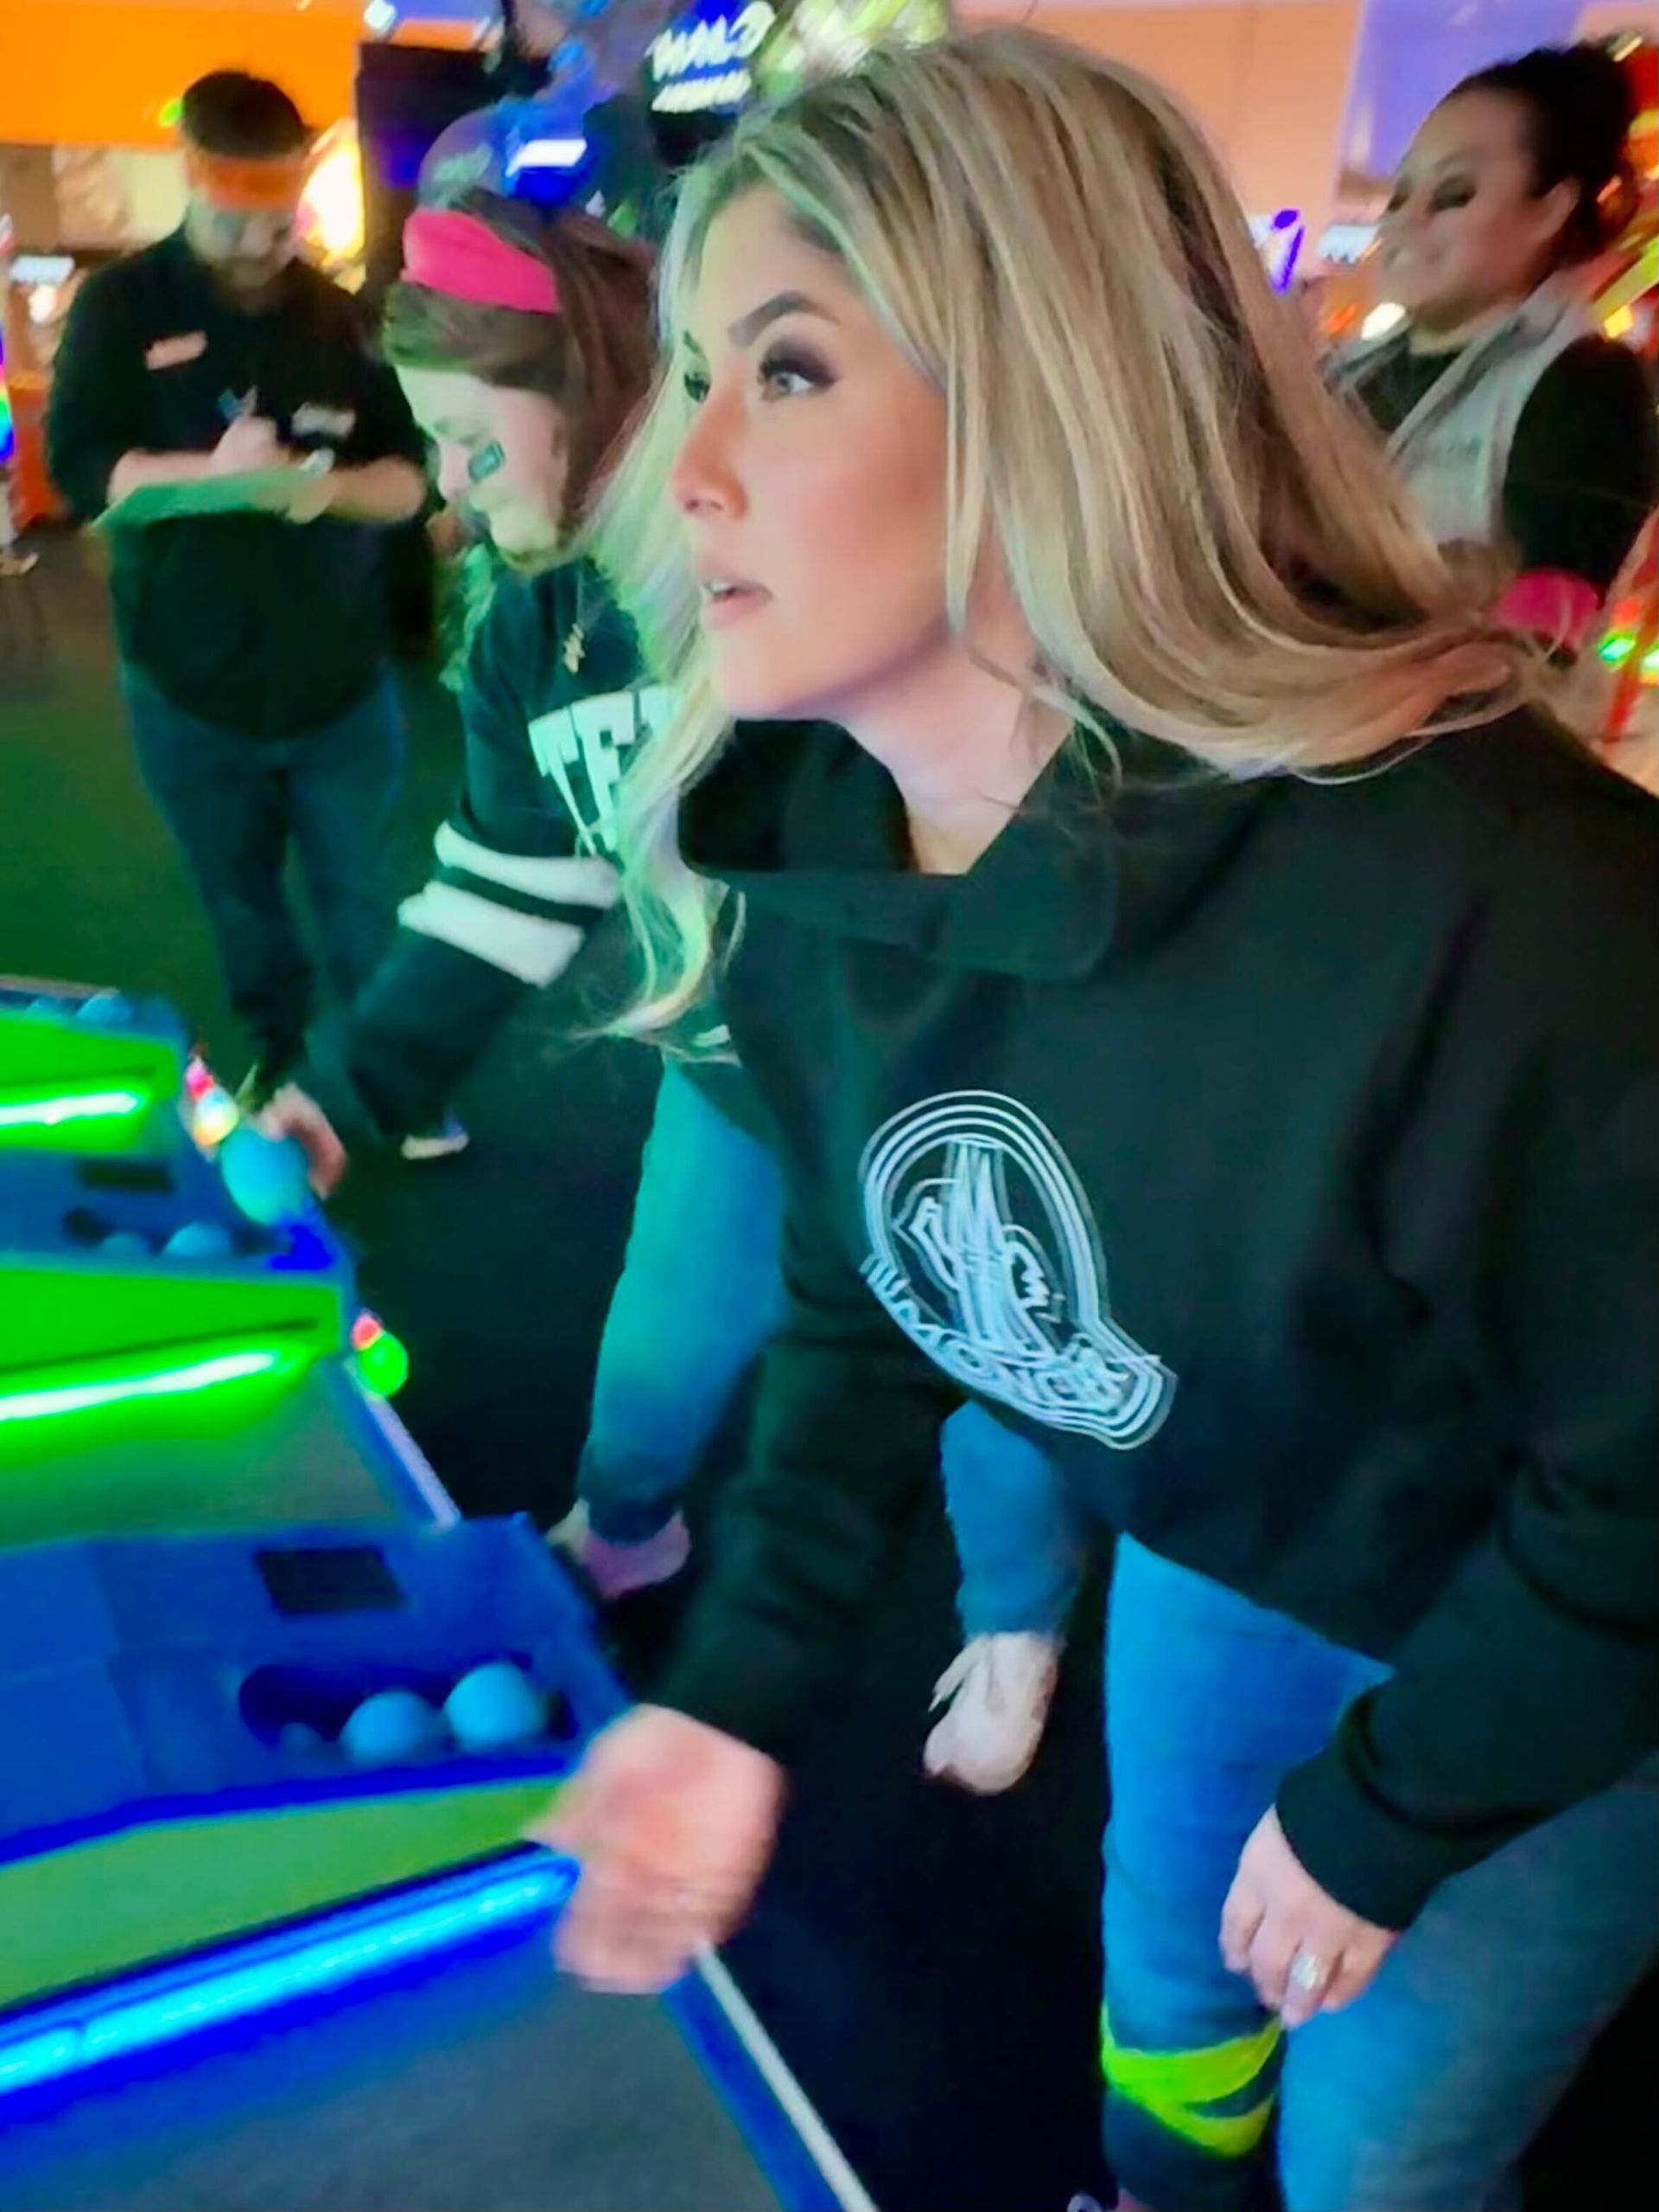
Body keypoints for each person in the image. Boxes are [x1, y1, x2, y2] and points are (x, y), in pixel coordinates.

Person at [538, 30, 1659, 2212]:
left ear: (1044, 402)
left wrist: (1394, 1807)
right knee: (1167, 2005)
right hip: (1230, 1555)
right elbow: (870, 1290)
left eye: (782, 369)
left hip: (1533, 1642)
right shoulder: (808, 858)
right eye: (688, 372)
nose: (678, 468)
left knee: (1370, 2149)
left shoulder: (1510, 914)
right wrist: (735, 1684)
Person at [267, 190, 1070, 1791]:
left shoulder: (793, 567)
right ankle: (629, 1534)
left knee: (1000, 1392)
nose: (448, 489)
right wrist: (350, 1085)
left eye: (475, 444)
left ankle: (1019, 1619)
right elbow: (512, 877)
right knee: (654, 1368)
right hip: (738, 1069)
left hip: (951, 1085)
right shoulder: (531, 627)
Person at [46, 71, 429, 1102]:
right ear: (193, 179)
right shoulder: (122, 307)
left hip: (343, 684)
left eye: (281, 218)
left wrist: (323, 490)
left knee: (362, 898)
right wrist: (211, 480)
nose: (267, 243)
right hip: (186, 686)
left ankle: (391, 1076)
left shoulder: (345, 320)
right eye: (240, 220)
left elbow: (407, 481)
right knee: (241, 900)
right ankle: (283, 1054)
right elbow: (88, 470)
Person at [1332, 42, 1659, 661]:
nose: (1404, 221)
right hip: (1296, 729)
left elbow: (1536, 648)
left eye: (1454, 194)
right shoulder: (1348, 372)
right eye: (1400, 194)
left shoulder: (1584, 384)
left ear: (1550, 210)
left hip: (1437, 744)